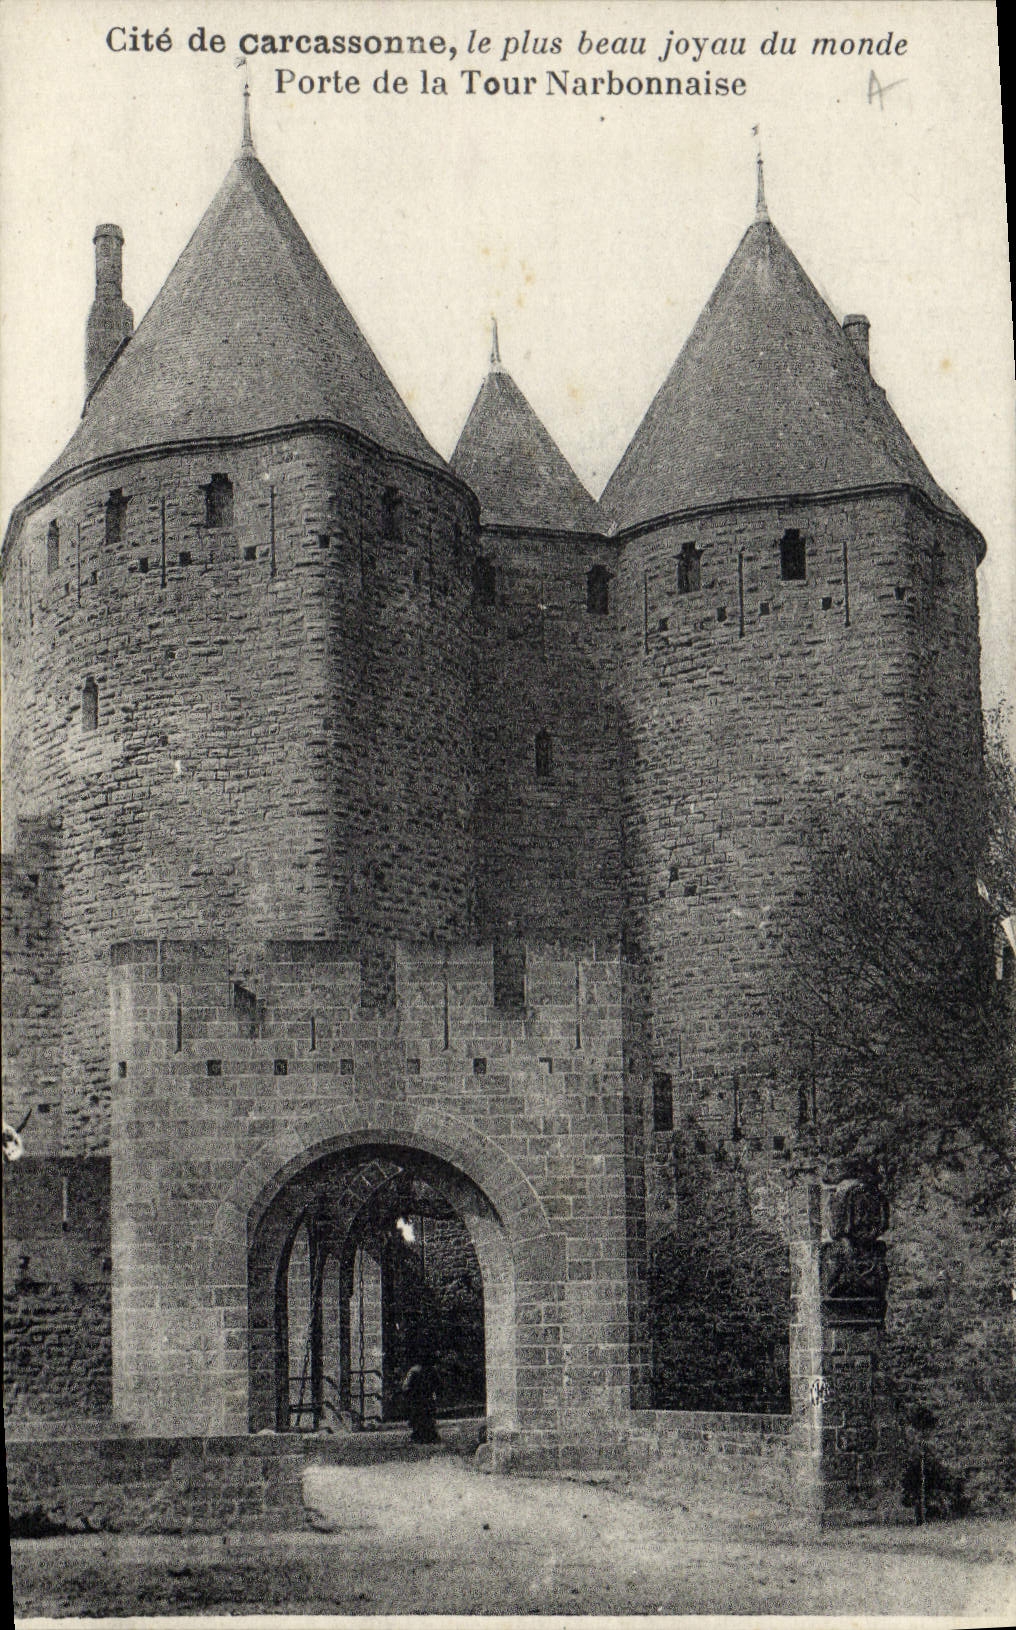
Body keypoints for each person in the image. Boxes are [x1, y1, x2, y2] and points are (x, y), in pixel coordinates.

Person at [401, 1357, 440, 1444]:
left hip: (418, 1399)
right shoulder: (431, 1371)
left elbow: (405, 1387)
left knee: (420, 1418)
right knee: (425, 1418)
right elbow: (438, 1385)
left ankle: (421, 1435)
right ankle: (425, 1435)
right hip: (424, 1399)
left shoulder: (414, 1371)